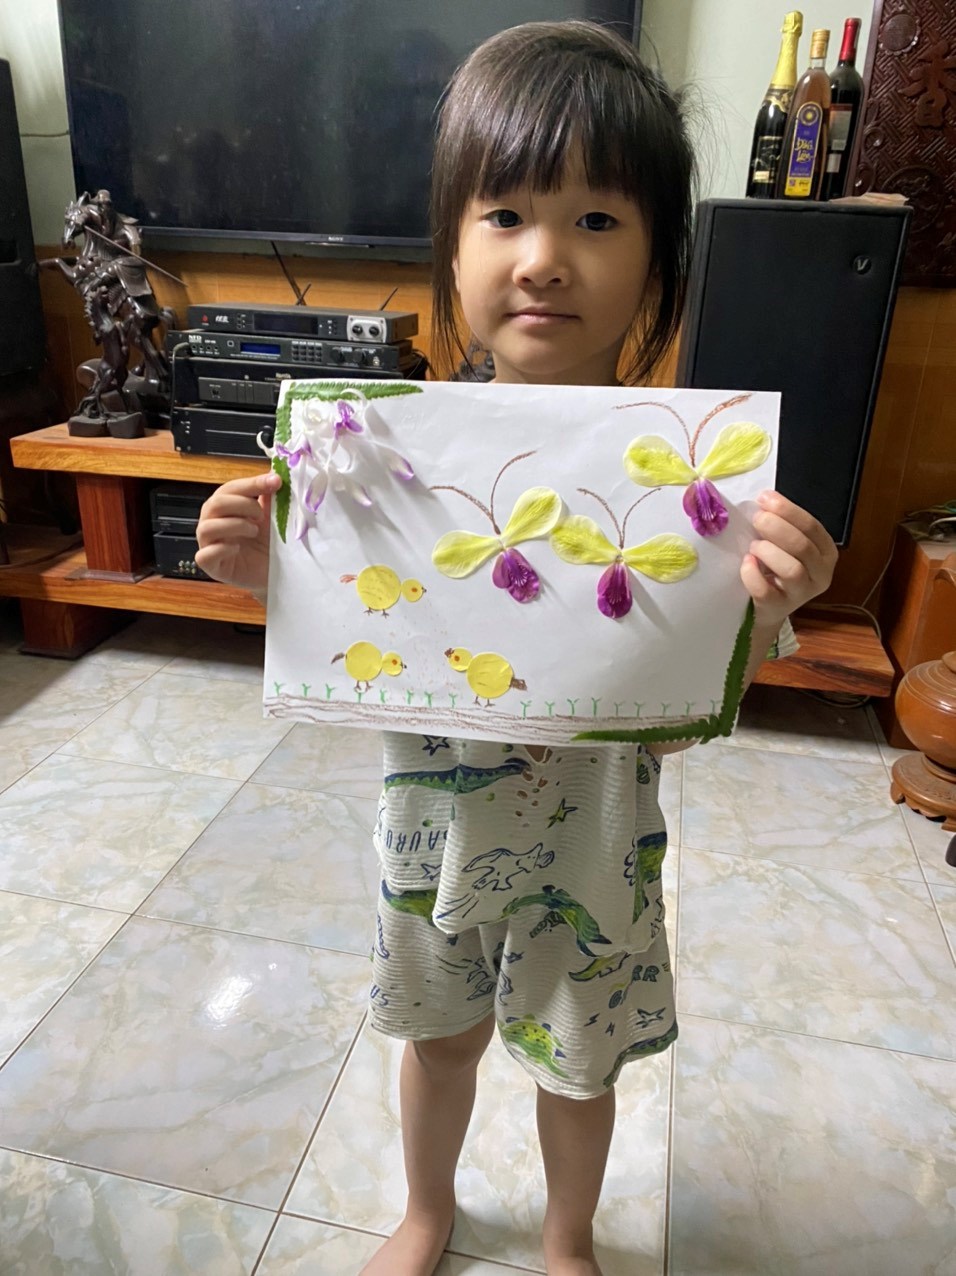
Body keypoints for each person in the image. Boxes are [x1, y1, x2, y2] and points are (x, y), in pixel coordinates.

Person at [195, 21, 838, 1276]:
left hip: (593, 845)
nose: (542, 258)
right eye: (503, 214)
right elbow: (361, 632)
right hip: (429, 836)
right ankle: (425, 1212)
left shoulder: (690, 493)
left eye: (595, 220)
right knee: (435, 1043)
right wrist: (272, 568)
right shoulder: (377, 467)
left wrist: (768, 604)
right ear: (451, 245)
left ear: (657, 262)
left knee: (576, 1064)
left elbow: (685, 703)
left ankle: (564, 1237)